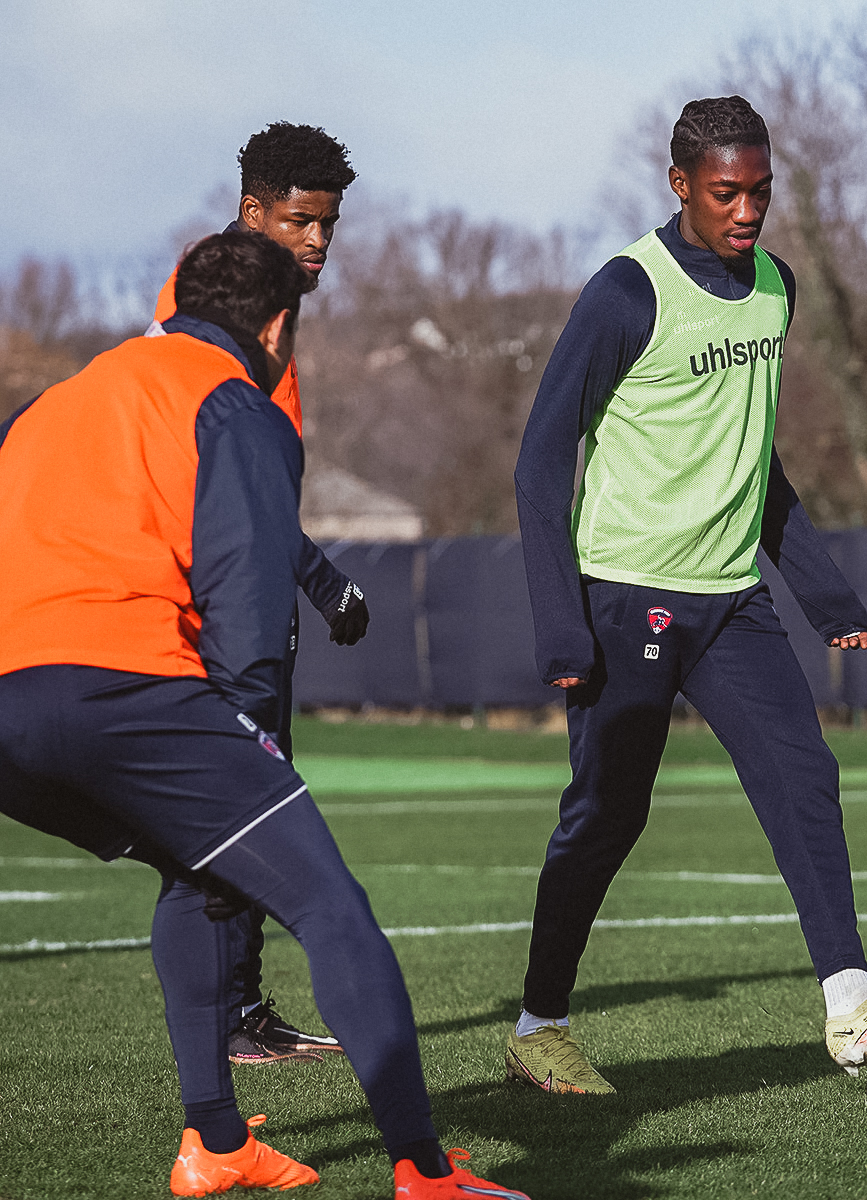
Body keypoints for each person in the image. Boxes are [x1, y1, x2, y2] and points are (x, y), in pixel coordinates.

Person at [0, 231, 525, 1200]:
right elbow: (246, 580)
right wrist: (254, 729)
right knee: (331, 908)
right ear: (280, 327)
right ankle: (426, 1172)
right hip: (122, 686)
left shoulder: (50, 406)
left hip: (8, 713)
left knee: (201, 874)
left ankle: (215, 1143)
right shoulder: (234, 402)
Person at [507, 95, 867, 1095]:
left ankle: (852, 1007)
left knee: (804, 776)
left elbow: (752, 457)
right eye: (727, 192)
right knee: (607, 814)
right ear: (679, 183)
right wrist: (560, 619)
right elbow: (543, 455)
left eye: (761, 191)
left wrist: (820, 588)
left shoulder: (777, 288)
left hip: (731, 599)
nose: (747, 211)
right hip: (624, 595)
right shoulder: (624, 293)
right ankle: (538, 1025)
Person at [150, 122, 370, 1067]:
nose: (319, 242)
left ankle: (240, 1011)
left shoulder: (274, 307)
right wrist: (321, 581)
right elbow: (220, 480)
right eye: (300, 221)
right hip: (216, 603)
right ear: (252, 214)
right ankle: (222, 1032)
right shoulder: (209, 308)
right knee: (230, 812)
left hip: (253, 595)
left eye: (328, 224)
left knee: (251, 797)